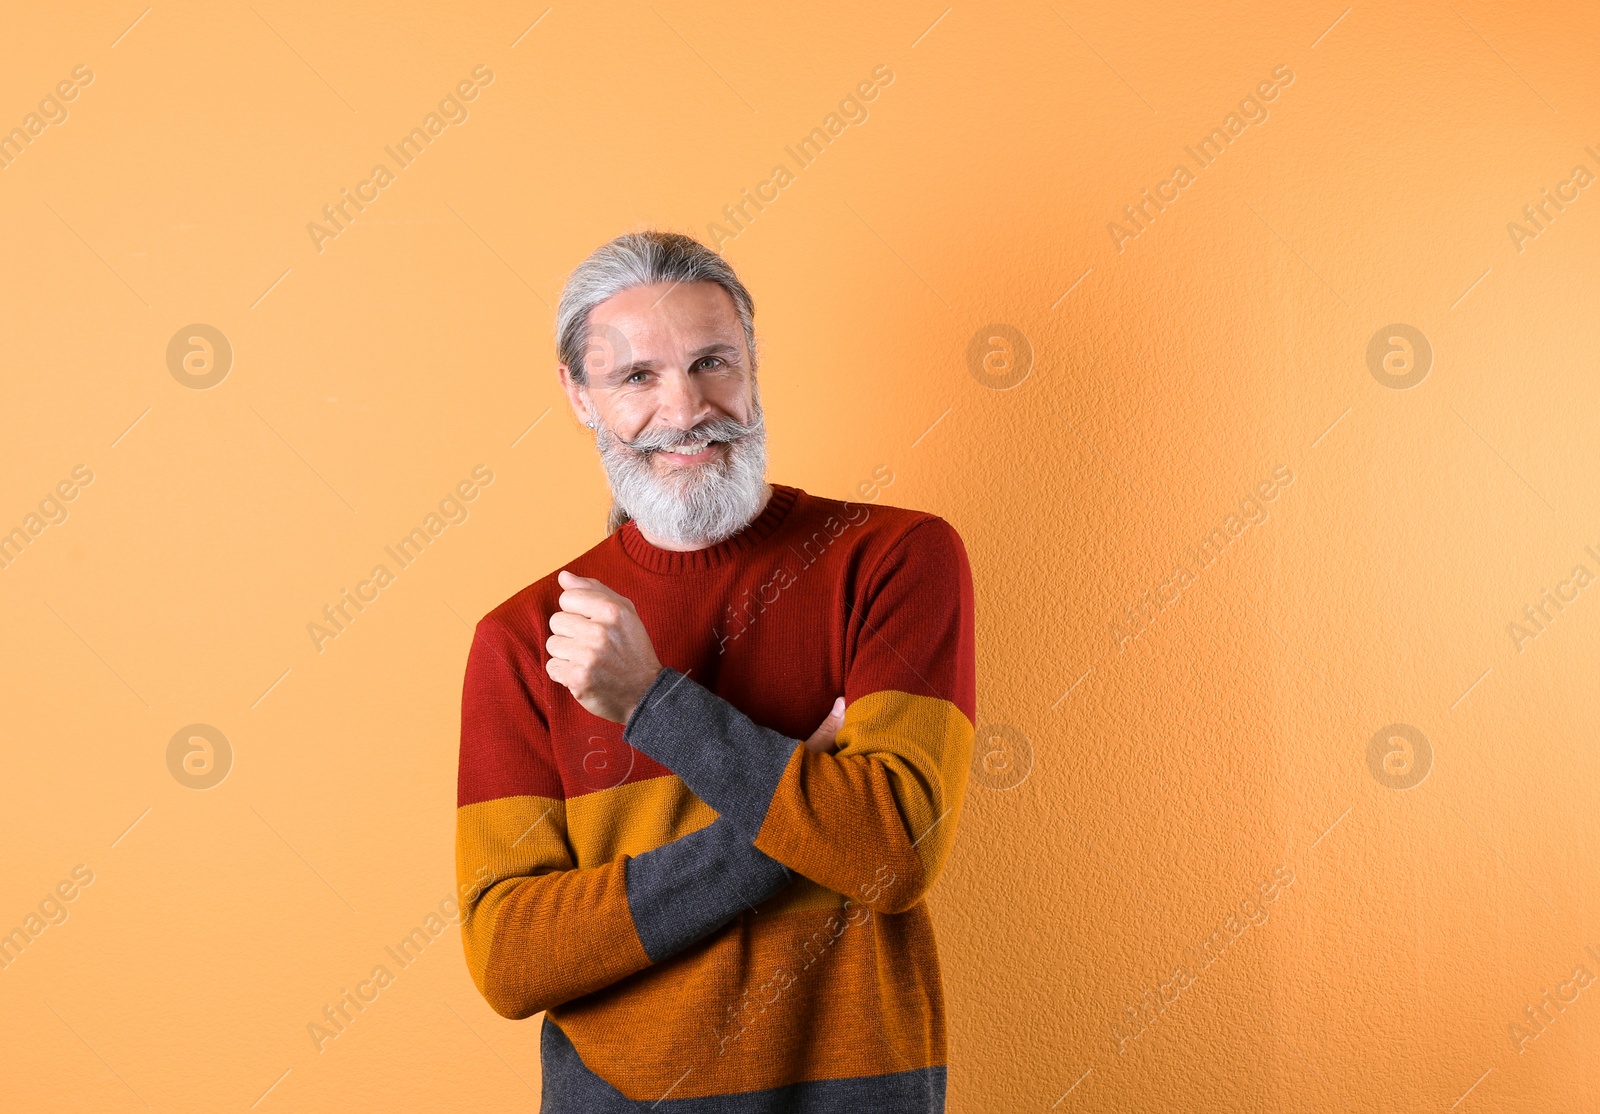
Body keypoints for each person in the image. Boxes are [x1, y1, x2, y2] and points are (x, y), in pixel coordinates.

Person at [454, 229, 976, 1111]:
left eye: (712, 363)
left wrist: (653, 705)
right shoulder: (527, 638)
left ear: (753, 369)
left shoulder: (893, 560)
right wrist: (801, 814)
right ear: (579, 397)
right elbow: (510, 959)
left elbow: (895, 853)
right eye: (636, 378)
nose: (687, 408)